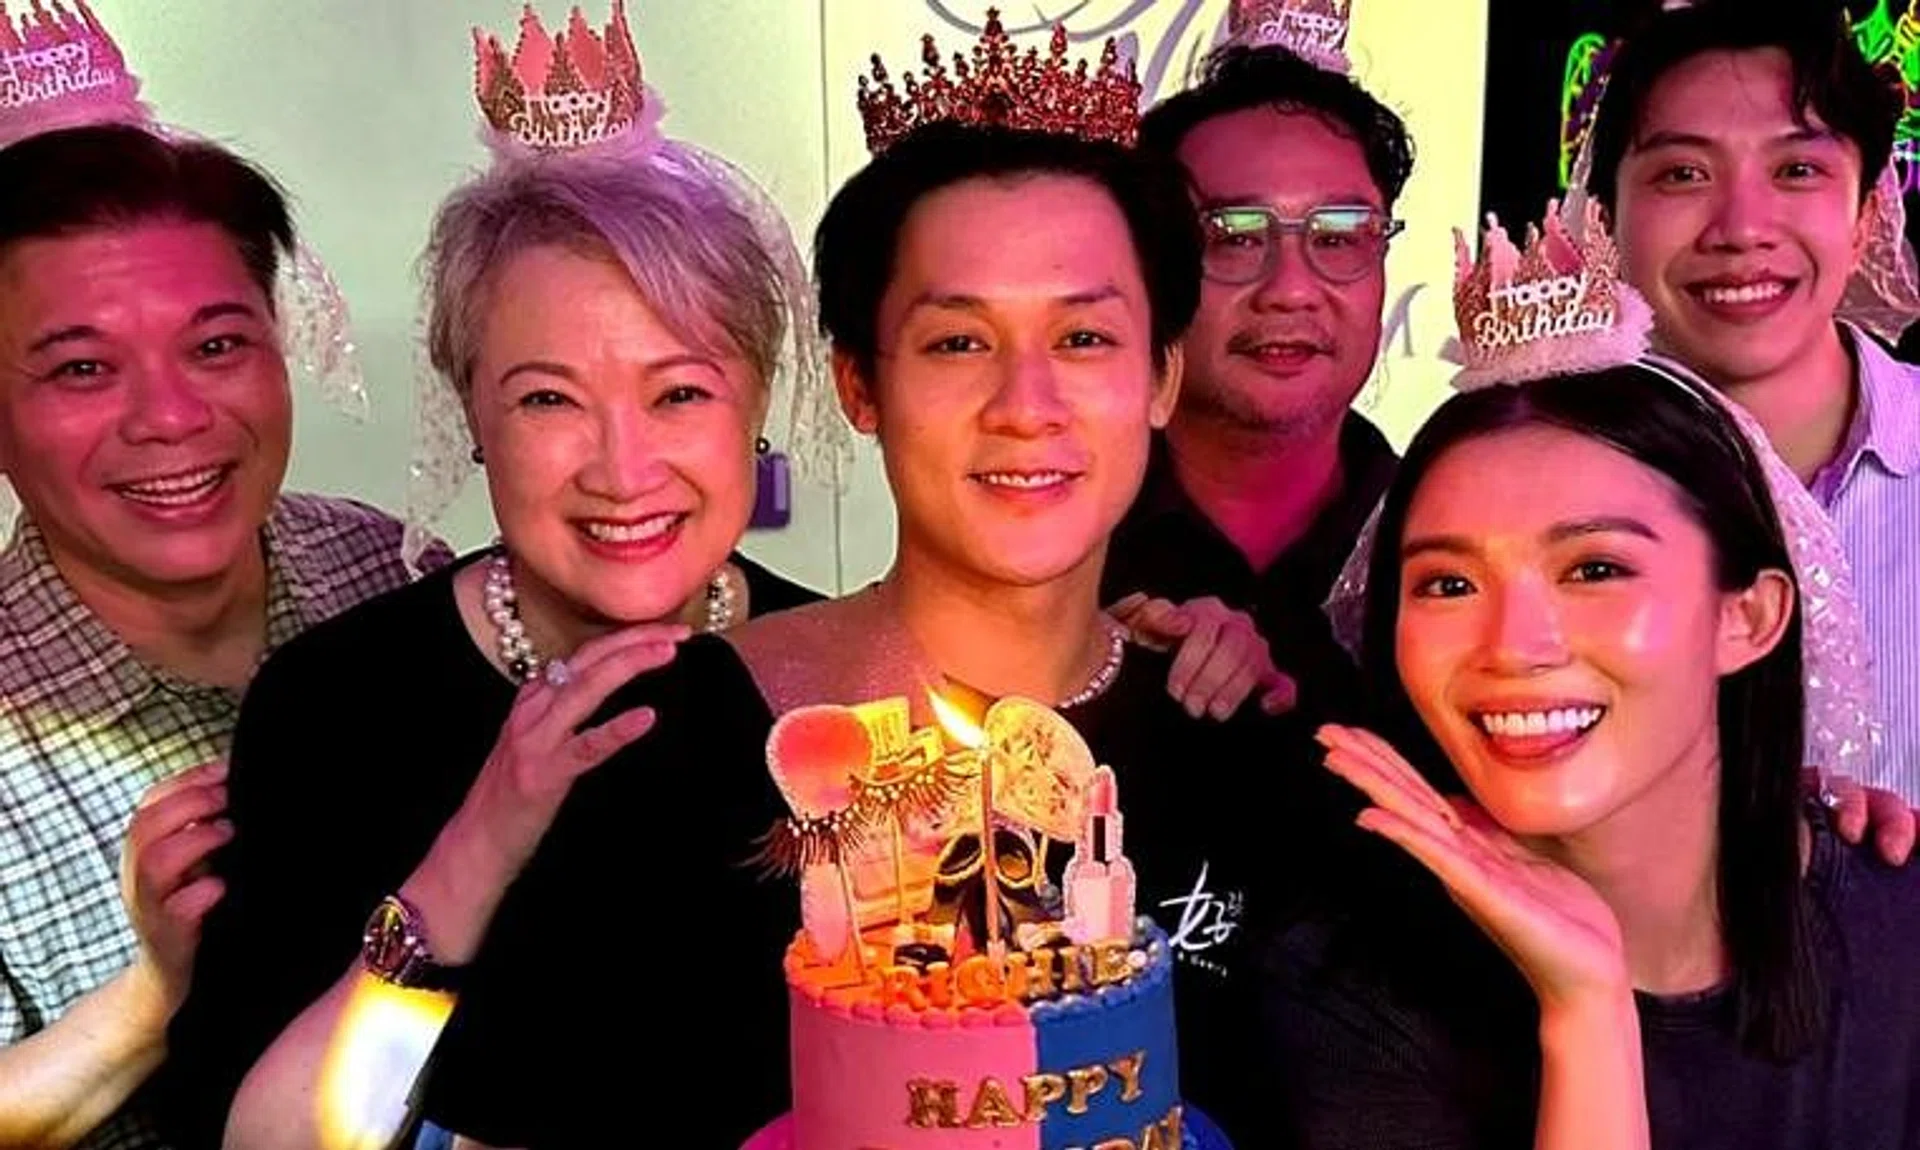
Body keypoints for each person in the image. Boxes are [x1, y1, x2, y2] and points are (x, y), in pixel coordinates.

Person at [158, 9, 1286, 1147]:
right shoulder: (620, 745)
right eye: (549, 397)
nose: (624, 466)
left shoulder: (1216, 709)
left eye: (680, 392)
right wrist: (478, 849)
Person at [1262, 205, 1920, 1149]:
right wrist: (1587, 1015)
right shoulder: (1345, 987)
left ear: (1750, 616)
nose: (1514, 645)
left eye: (1595, 570)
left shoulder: (1898, 922)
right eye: (1448, 583)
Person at [0, 33, 436, 1150]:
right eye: (83, 368)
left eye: (217, 344)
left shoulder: (393, 577)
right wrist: (156, 992)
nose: (173, 418)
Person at [1584, 0, 1920, 801]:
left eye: (1796, 170)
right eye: (1683, 174)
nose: (1740, 229)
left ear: (1869, 217)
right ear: (1606, 221)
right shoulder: (1523, 478)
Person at [1105, 23, 1413, 716]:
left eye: (1339, 236)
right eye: (1234, 237)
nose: (1291, 289)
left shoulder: (1447, 537)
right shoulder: (1062, 528)